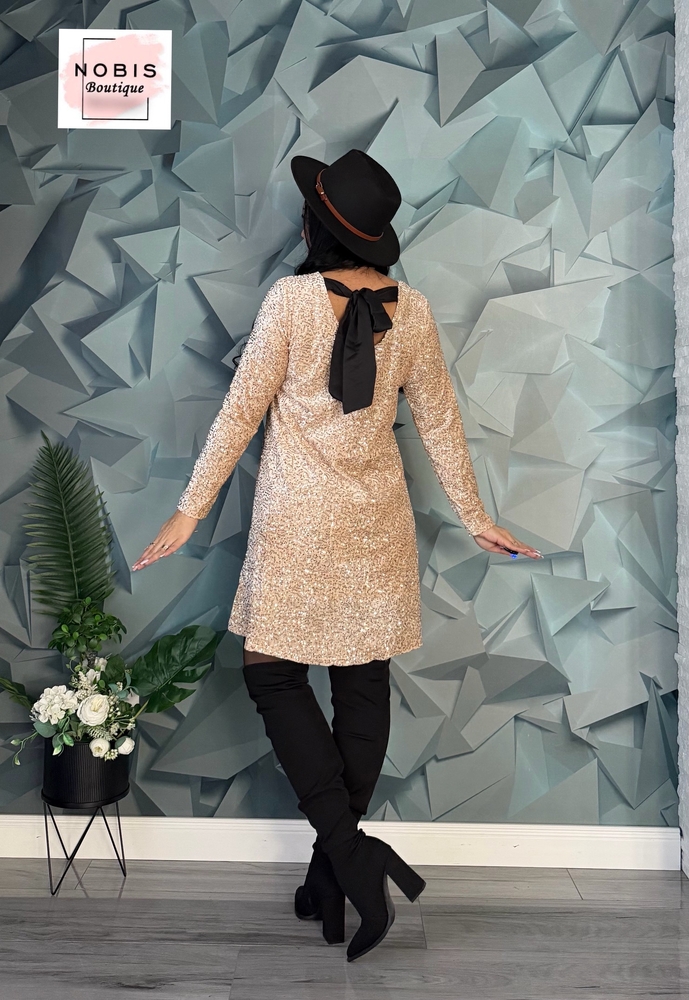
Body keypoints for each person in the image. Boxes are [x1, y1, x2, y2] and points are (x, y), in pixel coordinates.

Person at [131, 148, 541, 961]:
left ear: (316, 227)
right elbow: (440, 422)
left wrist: (188, 510)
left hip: (297, 522)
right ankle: (342, 868)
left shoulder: (289, 301)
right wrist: (472, 515)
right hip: (376, 521)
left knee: (272, 675)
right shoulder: (411, 308)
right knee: (361, 683)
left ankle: (345, 861)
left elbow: (239, 414)